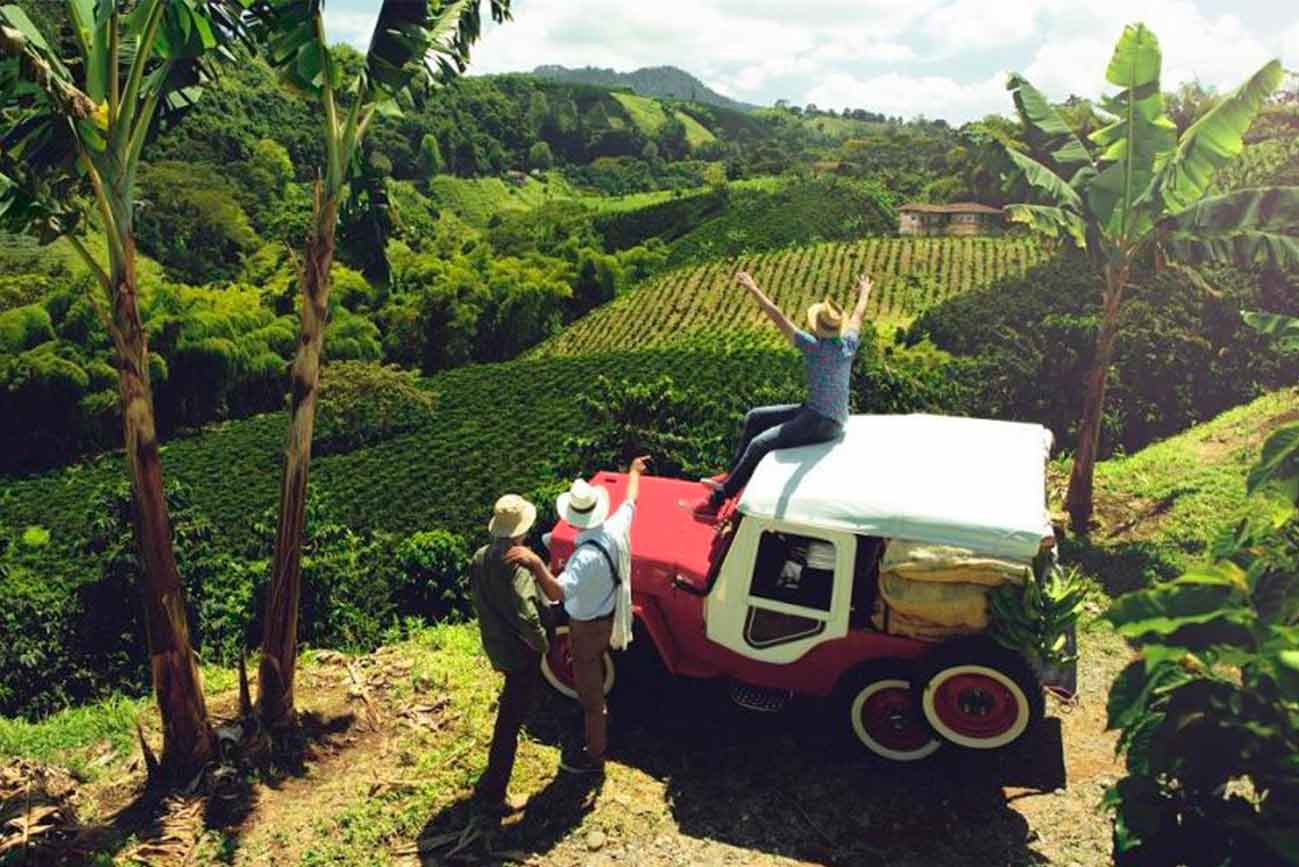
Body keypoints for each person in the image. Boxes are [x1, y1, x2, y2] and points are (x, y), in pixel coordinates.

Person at [682, 271, 872, 520]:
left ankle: (717, 500)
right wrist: (864, 292)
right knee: (755, 417)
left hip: (820, 421)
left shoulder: (813, 347)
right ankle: (732, 475)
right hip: (825, 414)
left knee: (759, 443)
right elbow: (858, 316)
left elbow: (777, 316)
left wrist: (753, 288)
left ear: (817, 327)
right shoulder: (848, 345)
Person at [509, 455, 650, 775]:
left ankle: (594, 756)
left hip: (586, 628)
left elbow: (558, 593)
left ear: (572, 519)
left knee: (591, 698)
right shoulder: (615, 527)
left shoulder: (582, 559)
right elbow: (631, 500)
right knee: (602, 671)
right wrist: (634, 471)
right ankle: (603, 722)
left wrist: (534, 562)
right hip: (611, 615)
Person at [469, 493, 565, 815]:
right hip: (521, 652)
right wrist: (541, 643)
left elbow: (483, 603)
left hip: (498, 644)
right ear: (520, 531)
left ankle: (491, 782)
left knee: (511, 710)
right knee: (510, 719)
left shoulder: (481, 556)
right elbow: (527, 614)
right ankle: (494, 790)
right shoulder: (519, 565)